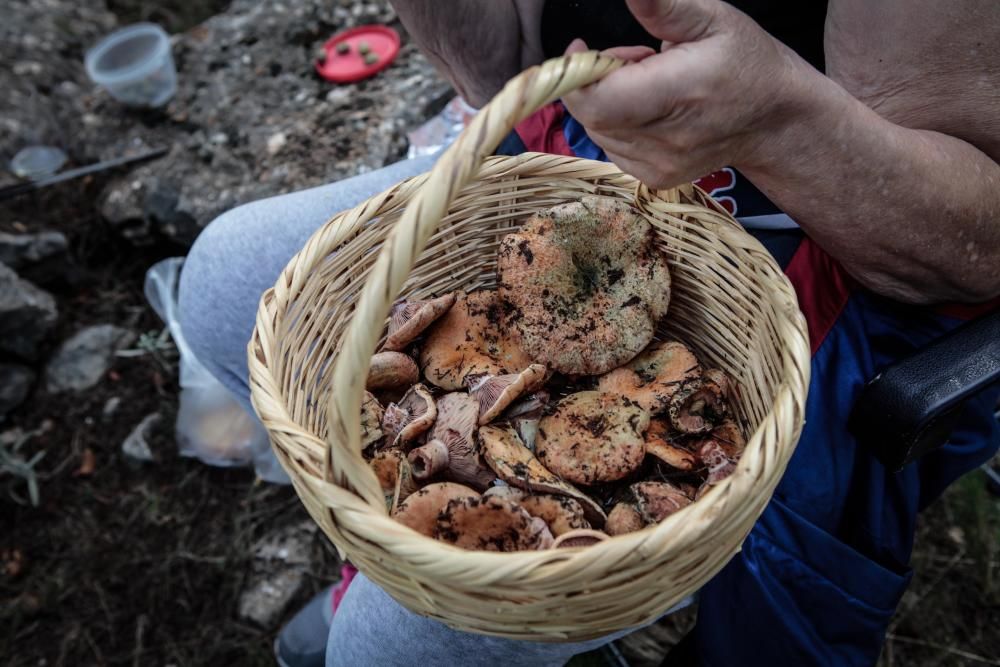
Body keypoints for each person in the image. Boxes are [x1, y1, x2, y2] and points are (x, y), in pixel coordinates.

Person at [178, 0, 1000, 664]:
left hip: (823, 246)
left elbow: (976, 249)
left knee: (381, 652)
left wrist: (770, 119)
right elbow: (498, 68)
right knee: (220, 284)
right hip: (583, 158)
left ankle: (528, 599)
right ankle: (409, 547)